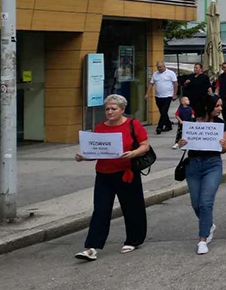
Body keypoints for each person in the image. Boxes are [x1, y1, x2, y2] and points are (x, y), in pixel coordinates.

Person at [74, 94, 149, 261]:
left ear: (122, 110)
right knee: (100, 210)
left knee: (132, 208)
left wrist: (133, 153)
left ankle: (134, 240)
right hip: (103, 174)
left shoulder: (133, 124)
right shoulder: (100, 127)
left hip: (126, 173)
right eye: (107, 109)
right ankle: (91, 247)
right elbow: (97, 151)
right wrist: (83, 156)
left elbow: (145, 145)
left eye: (113, 109)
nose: (109, 112)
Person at [176, 94, 226, 254]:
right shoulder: (192, 123)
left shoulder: (221, 124)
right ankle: (209, 224)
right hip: (193, 165)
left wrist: (223, 144)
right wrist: (182, 143)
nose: (220, 109)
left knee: (206, 202)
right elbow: (181, 144)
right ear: (208, 106)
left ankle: (202, 239)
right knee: (196, 203)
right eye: (217, 106)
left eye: (221, 106)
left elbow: (224, 149)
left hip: (212, 164)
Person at [147, 61, 178, 134]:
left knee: (164, 111)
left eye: (160, 67)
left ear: (164, 66)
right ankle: (168, 125)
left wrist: (175, 94)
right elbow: (151, 84)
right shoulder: (155, 74)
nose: (159, 69)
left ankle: (159, 127)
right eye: (158, 67)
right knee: (162, 112)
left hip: (168, 96)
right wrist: (147, 93)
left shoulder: (171, 73)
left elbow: (175, 84)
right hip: (158, 96)